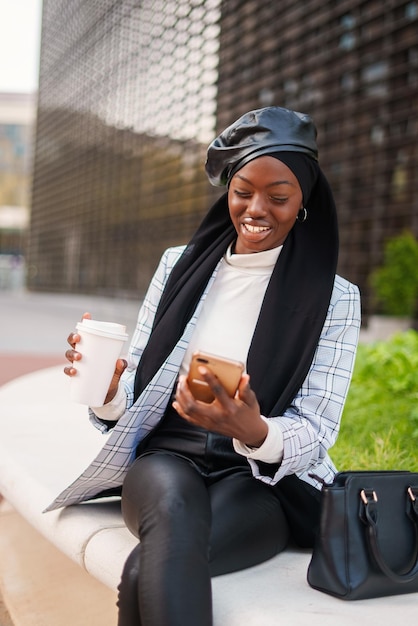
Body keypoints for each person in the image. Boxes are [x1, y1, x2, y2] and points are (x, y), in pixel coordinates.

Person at [53, 106, 361, 625]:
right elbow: (131, 398)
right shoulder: (180, 266)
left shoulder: (336, 298)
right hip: (166, 456)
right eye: (242, 191)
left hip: (257, 478)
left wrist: (255, 430)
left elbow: (318, 427)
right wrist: (107, 389)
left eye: (278, 197)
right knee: (170, 533)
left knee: (140, 572)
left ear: (304, 200)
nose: (256, 209)